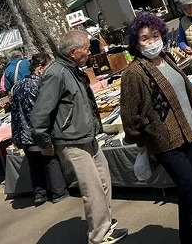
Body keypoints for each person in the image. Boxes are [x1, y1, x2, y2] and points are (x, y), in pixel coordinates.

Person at [120, 13, 192, 244]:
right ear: (136, 43)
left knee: (187, 189)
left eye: (155, 36)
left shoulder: (167, 58)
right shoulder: (134, 73)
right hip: (164, 142)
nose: (152, 42)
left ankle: (188, 238)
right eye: (145, 38)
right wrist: (142, 141)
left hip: (186, 133)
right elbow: (130, 117)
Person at [32, 31, 127, 244]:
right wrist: (45, 143)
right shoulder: (56, 73)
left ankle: (104, 222)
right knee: (92, 187)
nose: (89, 51)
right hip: (71, 140)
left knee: (103, 180)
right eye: (86, 48)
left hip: (86, 135)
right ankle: (98, 236)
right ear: (73, 52)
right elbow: (40, 114)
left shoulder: (72, 69)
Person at [11, 53, 69, 206]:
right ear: (40, 68)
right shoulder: (40, 84)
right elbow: (44, 110)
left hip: (23, 133)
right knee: (50, 159)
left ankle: (40, 194)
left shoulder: (17, 86)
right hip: (38, 130)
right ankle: (59, 192)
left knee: (34, 164)